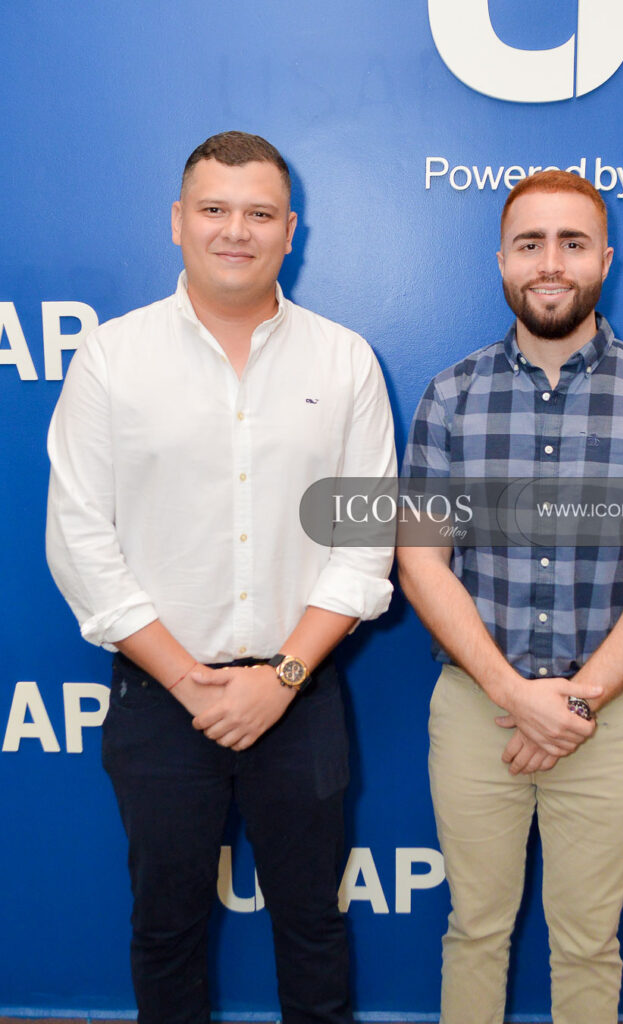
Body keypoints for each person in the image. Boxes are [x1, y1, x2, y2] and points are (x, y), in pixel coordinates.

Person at [46, 131, 396, 1024]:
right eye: (213, 209)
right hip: (162, 698)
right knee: (165, 927)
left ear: (290, 231)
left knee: (313, 924)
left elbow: (364, 547)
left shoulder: (342, 359)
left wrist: (278, 681)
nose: (233, 230)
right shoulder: (112, 358)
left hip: (300, 693)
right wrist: (191, 681)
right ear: (177, 222)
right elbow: (80, 539)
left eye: (258, 213)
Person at [397, 170, 623, 1024]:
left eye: (571, 243)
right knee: (473, 931)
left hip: (603, 716)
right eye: (529, 243)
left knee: (586, 944)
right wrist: (512, 694)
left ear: (603, 259)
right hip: (474, 710)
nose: (550, 262)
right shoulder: (450, 396)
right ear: (501, 260)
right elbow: (419, 562)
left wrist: (573, 701)